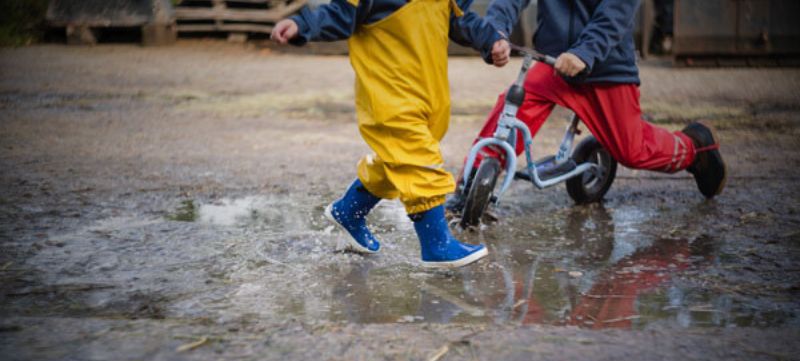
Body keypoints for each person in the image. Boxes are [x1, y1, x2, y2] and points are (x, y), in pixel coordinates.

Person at [271, 0, 509, 268]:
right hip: (389, 93)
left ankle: (349, 210)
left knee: (398, 160)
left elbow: (460, 20)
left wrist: (490, 40)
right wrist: (301, 24)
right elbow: (337, 14)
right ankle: (436, 245)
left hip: (428, 93)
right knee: (419, 160)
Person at [446, 0, 727, 214]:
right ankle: (471, 183)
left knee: (634, 151)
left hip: (604, 67)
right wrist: (496, 31)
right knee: (513, 107)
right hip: (553, 62)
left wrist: (585, 52)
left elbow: (618, 9)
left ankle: (694, 148)